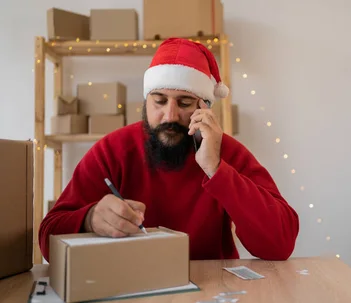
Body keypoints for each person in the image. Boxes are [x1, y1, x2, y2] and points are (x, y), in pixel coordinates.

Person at [39, 38, 300, 262]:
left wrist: (216, 169)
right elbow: (47, 240)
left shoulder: (224, 150)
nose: (170, 115)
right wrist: (90, 218)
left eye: (185, 102)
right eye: (160, 101)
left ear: (205, 107)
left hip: (214, 288)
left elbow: (280, 244)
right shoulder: (112, 150)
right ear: (146, 101)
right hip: (128, 285)